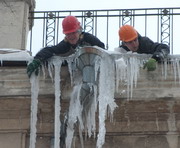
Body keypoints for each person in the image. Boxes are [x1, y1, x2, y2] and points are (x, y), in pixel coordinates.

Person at [27, 15, 105, 77]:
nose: (71, 36)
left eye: (73, 33)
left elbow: (102, 50)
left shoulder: (88, 39)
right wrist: (37, 60)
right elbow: (50, 50)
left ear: (79, 31)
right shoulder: (65, 45)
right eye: (68, 34)